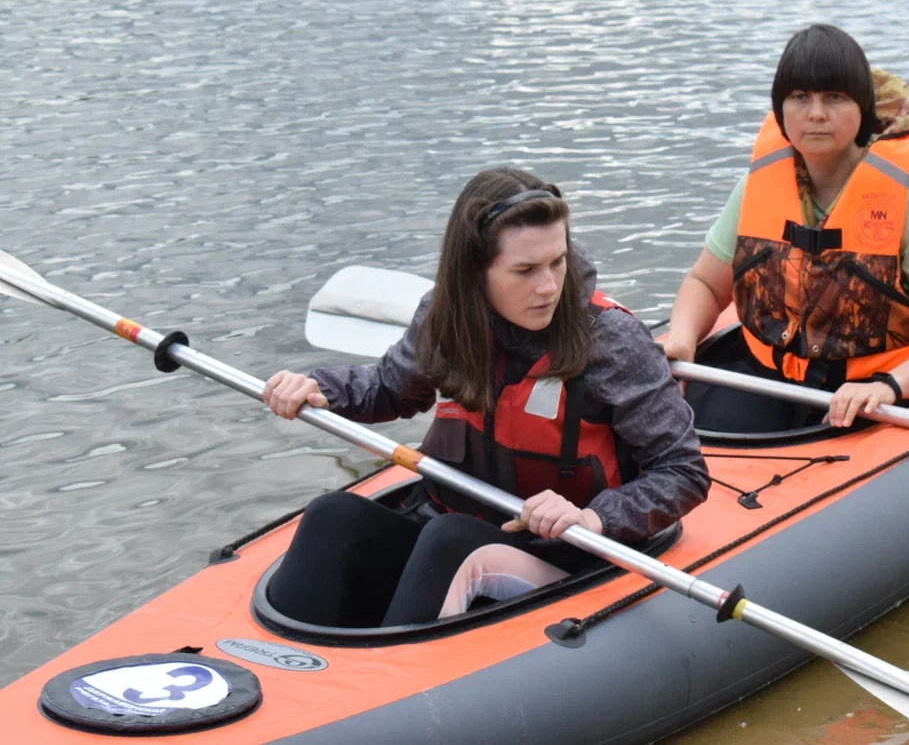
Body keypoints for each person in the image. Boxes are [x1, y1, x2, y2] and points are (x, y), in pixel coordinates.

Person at [262, 167, 710, 628]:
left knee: (451, 542)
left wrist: (594, 517)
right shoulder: (445, 318)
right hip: (453, 521)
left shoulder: (612, 340)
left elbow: (684, 473)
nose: (549, 286)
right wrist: (321, 389)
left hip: (565, 547)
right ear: (476, 273)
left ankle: (403, 681)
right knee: (332, 515)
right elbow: (390, 390)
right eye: (525, 270)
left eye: (558, 261)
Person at [663, 24, 909, 433]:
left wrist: (890, 386)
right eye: (800, 98)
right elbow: (706, 283)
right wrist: (684, 337)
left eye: (834, 97)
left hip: (876, 385)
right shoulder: (759, 186)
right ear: (781, 110)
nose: (815, 113)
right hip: (774, 375)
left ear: (862, 108)